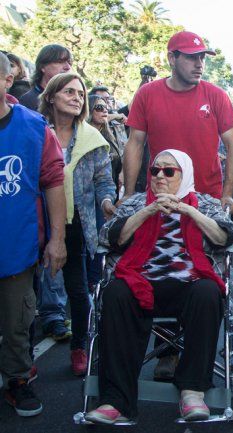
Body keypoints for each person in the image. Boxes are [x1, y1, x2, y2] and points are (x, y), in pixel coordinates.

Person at [84, 150, 233, 424]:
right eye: (155, 170)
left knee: (209, 292)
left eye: (169, 171)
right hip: (141, 282)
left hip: (189, 284)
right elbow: (109, 237)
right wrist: (149, 210)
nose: (159, 176)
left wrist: (188, 211)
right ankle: (115, 400)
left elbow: (227, 237)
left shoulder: (204, 203)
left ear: (184, 175)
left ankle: (192, 391)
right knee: (115, 293)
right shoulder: (134, 203)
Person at [0, 52, 66, 418]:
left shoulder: (34, 127)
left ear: (8, 81)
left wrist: (57, 239)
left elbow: (54, 182)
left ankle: (17, 380)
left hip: (15, 247)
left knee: (16, 323)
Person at [37, 72, 117, 376]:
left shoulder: (93, 139)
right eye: (69, 92)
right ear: (51, 96)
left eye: (80, 94)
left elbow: (104, 183)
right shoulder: (35, 129)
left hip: (75, 225)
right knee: (25, 288)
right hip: (33, 222)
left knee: (78, 289)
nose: (76, 98)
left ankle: (80, 346)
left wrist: (108, 202)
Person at [122, 31, 233, 212]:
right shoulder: (146, 94)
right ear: (172, 58)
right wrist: (128, 194)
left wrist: (227, 194)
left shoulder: (217, 96)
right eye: (192, 57)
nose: (199, 64)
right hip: (161, 198)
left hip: (207, 199)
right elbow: (135, 144)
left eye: (202, 58)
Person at [19, 44, 72, 111]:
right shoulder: (28, 101)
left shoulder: (71, 99)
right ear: (42, 67)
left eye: (70, 63)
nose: (67, 67)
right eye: (60, 62)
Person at [88, 94, 122, 193]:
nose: (105, 110)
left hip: (111, 193)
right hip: (91, 196)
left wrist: (122, 174)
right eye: (99, 107)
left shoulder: (109, 136)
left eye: (106, 107)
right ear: (89, 110)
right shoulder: (82, 138)